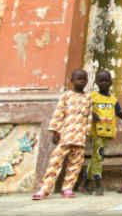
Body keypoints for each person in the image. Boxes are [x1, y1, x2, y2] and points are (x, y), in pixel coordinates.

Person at [32, 69, 92, 200]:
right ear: (72, 81)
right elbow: (59, 113)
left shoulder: (88, 97)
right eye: (78, 78)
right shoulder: (66, 95)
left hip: (80, 137)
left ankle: (67, 188)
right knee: (55, 162)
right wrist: (55, 131)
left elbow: (89, 116)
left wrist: (87, 133)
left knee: (75, 164)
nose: (81, 81)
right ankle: (45, 188)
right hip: (65, 135)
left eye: (84, 79)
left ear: (87, 81)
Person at [81, 70, 122, 196]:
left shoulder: (113, 100)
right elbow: (84, 108)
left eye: (106, 80)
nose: (104, 83)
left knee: (96, 157)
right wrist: (92, 113)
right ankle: (98, 184)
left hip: (107, 133)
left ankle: (85, 182)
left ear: (111, 82)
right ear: (96, 82)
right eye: (101, 80)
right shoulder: (93, 97)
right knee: (99, 156)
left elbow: (120, 113)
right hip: (96, 132)